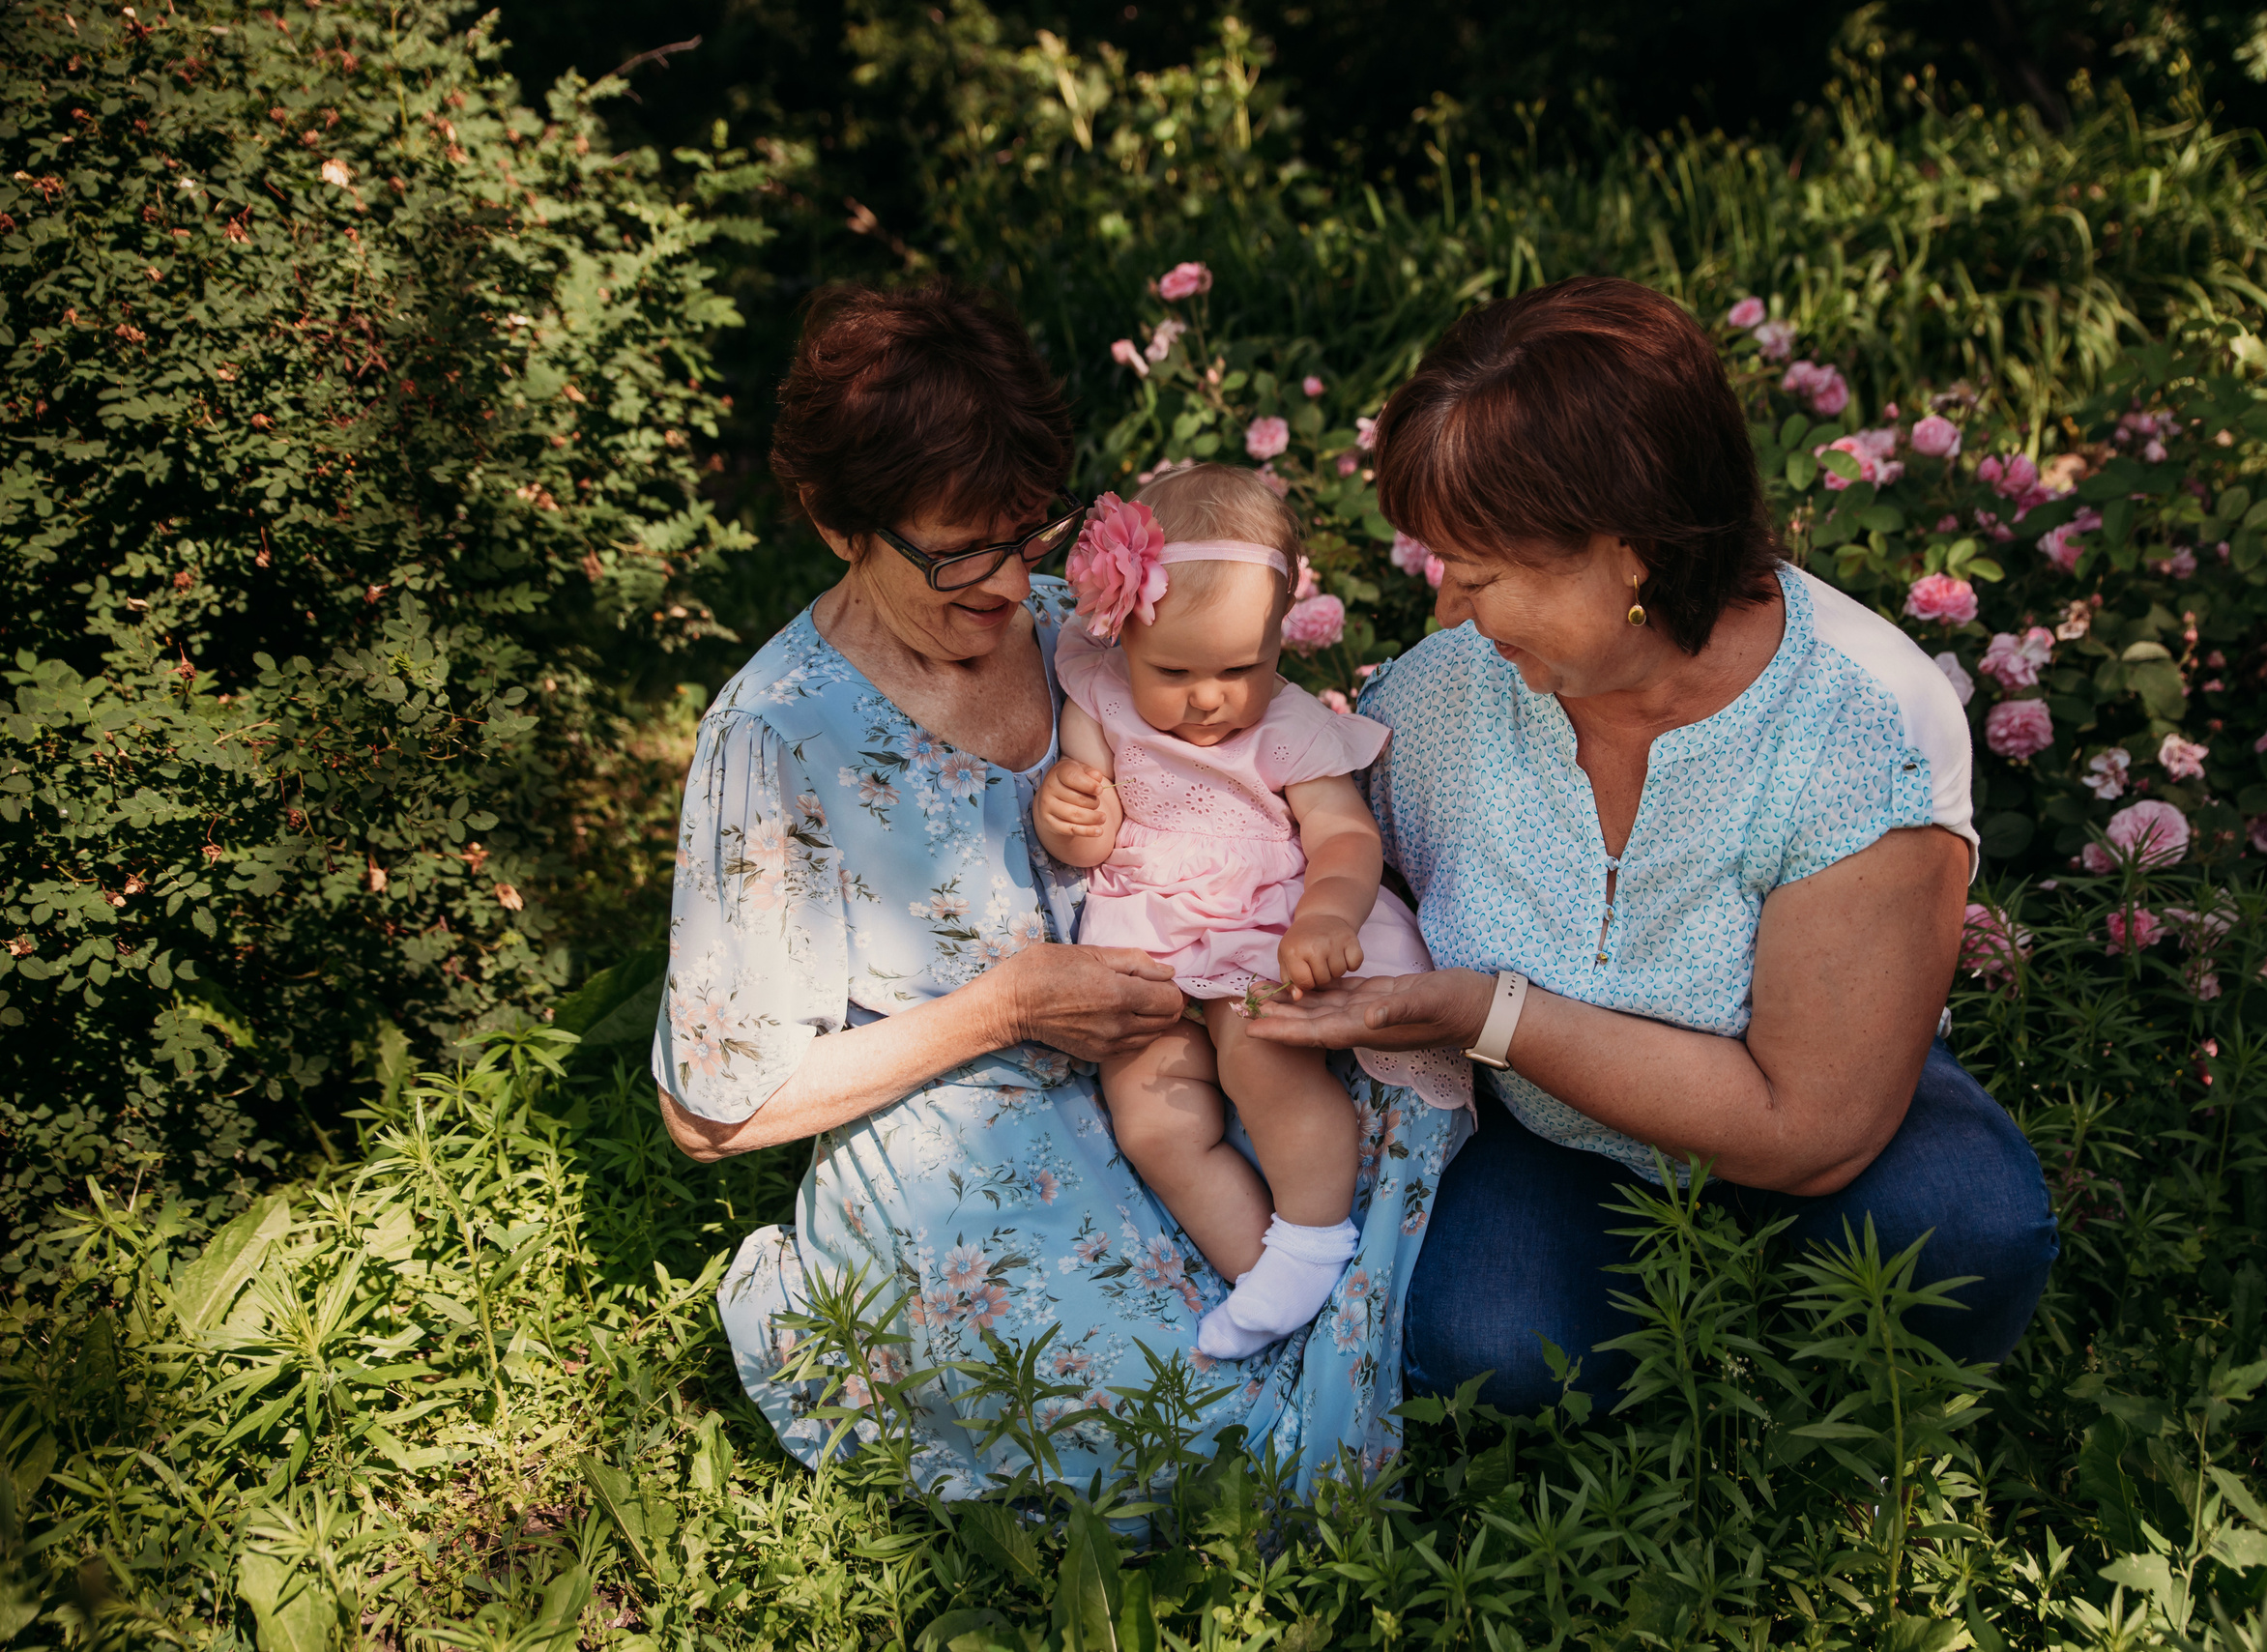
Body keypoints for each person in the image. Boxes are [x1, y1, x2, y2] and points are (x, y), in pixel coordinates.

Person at [652, 280, 1469, 1492]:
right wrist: (1007, 1005)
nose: (1002, 585)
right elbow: (711, 1113)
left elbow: (1258, 752)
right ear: (836, 522)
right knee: (1191, 1430)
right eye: (955, 553)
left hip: (1207, 1037)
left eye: (1025, 534)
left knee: (1391, 1178)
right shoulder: (778, 737)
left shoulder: (1082, 628)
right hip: (980, 1144)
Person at [1248, 275, 2058, 1411]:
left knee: (1956, 1228)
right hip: (1551, 1126)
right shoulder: (1440, 701)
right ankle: (1656, 1342)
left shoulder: (1854, 720)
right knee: (1487, 1348)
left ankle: (1818, 1409)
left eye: (1479, 573)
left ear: (1629, 550)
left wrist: (1484, 1009)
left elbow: (1809, 1128)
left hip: (1818, 1107)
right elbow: (1293, 848)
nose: (1448, 608)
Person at [1033, 467, 1470, 1361]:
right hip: (1147, 934)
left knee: (1260, 1055)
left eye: (1243, 667)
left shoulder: (1291, 727)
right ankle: (1257, 1271)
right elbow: (1088, 817)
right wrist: (1071, 816)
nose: (1209, 698)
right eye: (1177, 671)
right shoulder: (1101, 694)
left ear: (1281, 641)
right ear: (1122, 639)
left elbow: (1346, 836)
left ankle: (1310, 1234)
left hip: (1258, 927)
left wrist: (1326, 914)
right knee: (1150, 1111)